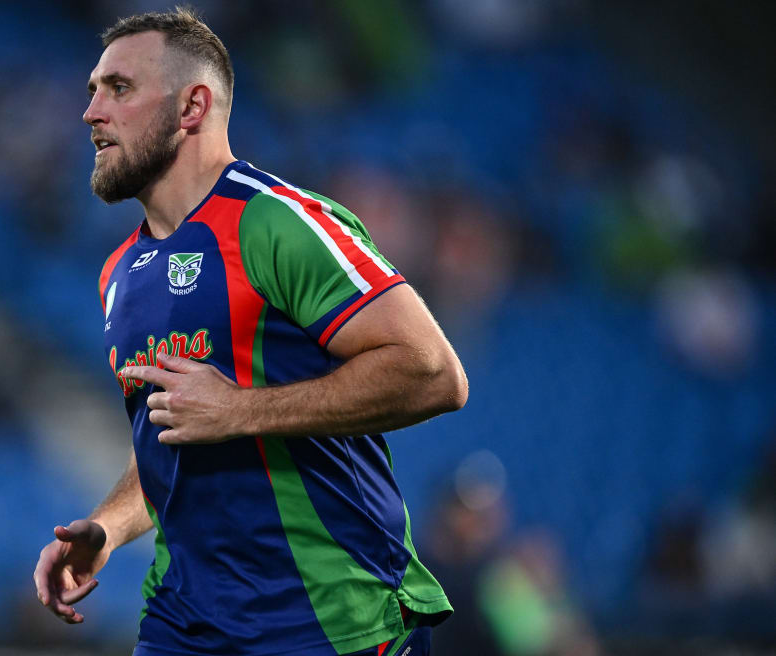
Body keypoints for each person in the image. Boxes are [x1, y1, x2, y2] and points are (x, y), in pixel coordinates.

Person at [32, 8, 468, 656]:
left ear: (192, 107)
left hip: (330, 619)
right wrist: (106, 527)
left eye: (119, 88)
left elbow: (433, 372)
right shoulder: (118, 274)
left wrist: (240, 409)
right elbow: (171, 438)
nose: (92, 112)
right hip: (185, 623)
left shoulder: (277, 222)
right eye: (94, 90)